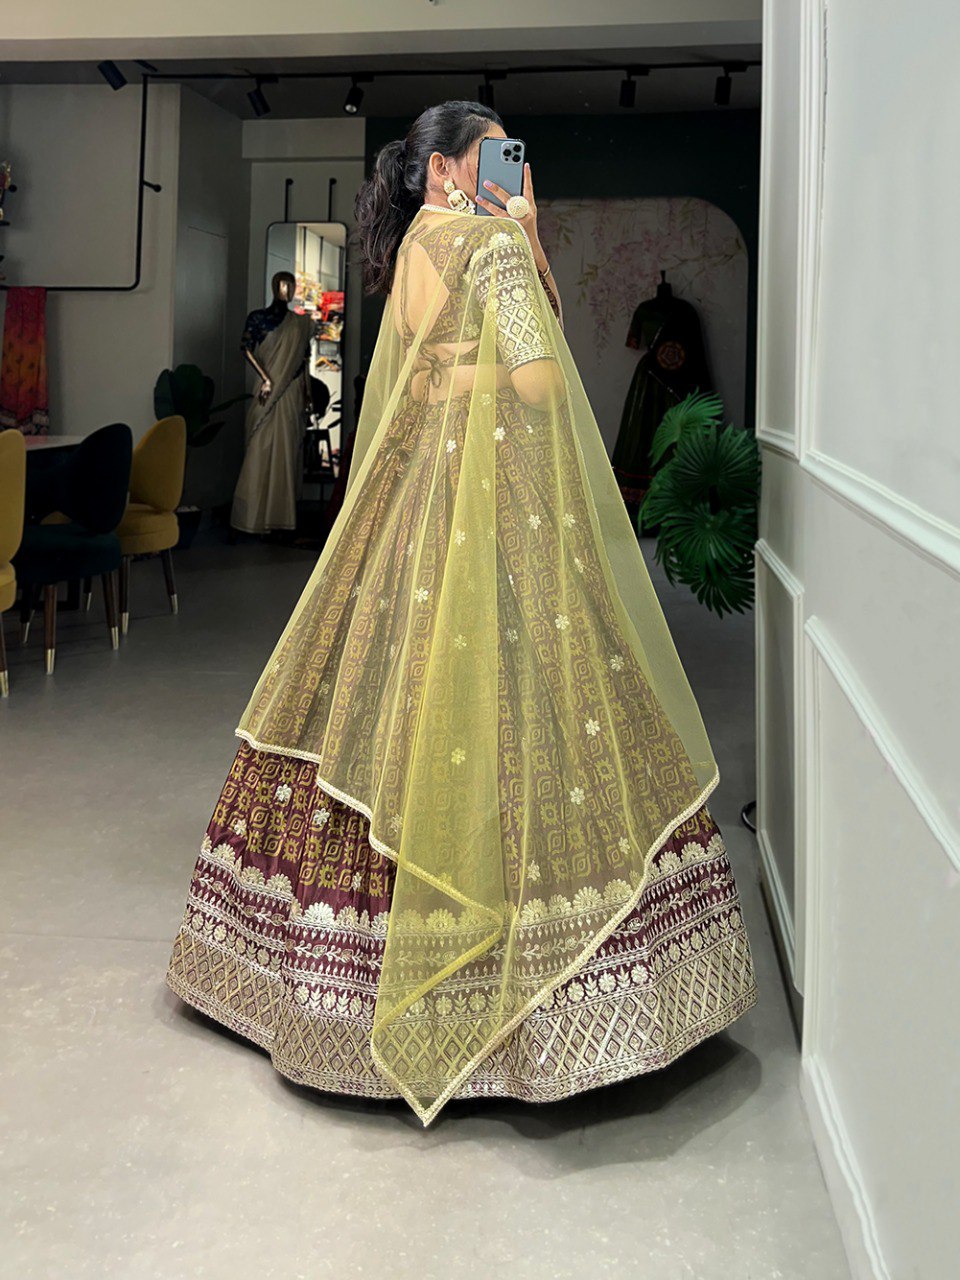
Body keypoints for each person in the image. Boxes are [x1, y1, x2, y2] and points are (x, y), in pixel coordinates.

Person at [165, 101, 759, 1127]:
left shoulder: (408, 252)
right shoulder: (490, 244)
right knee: (533, 703)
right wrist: (525, 236)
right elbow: (541, 383)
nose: (509, 169)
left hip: (411, 510)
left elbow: (423, 376)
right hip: (492, 514)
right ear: (446, 169)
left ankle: (312, 982)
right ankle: (526, 1004)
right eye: (492, 155)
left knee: (376, 687)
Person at [230, 271, 313, 536]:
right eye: (282, 284)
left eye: (291, 285)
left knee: (287, 450)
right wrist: (266, 379)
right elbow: (245, 348)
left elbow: (304, 360)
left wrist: (307, 393)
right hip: (266, 391)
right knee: (259, 448)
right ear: (274, 286)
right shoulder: (258, 318)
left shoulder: (299, 324)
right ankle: (251, 518)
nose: (287, 289)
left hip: (291, 392)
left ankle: (282, 517)